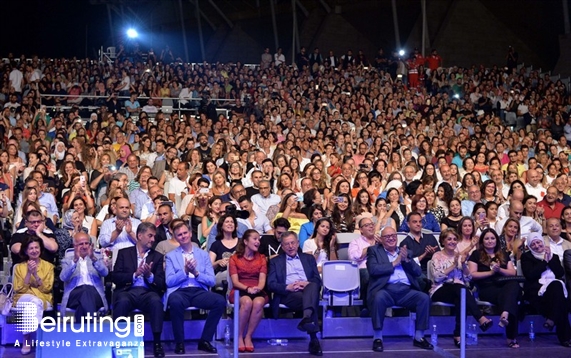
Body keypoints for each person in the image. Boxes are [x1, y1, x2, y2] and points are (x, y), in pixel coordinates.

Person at [366, 226, 433, 352]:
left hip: (406, 291)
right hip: (386, 290)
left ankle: (419, 337)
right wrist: (395, 263)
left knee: (424, 298)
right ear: (381, 239)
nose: (391, 238)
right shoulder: (374, 251)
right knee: (378, 298)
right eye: (387, 236)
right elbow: (373, 270)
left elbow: (418, 272)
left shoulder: (405, 251)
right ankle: (377, 338)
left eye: (393, 236)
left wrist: (406, 260)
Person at [165, 220, 225, 354]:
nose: (183, 236)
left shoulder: (203, 254)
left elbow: (211, 281)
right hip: (180, 291)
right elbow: (169, 282)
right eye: (179, 235)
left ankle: (205, 340)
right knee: (174, 302)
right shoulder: (170, 256)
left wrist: (196, 273)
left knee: (220, 301)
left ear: (191, 233)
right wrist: (185, 272)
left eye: (185, 233)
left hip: (199, 291)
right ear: (176, 237)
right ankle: (179, 342)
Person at [429, 228, 493, 347]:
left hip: (458, 290)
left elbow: (468, 278)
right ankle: (480, 318)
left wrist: (463, 265)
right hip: (440, 289)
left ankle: (458, 335)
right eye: (449, 239)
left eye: (454, 239)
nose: (452, 241)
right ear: (443, 241)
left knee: (461, 298)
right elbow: (437, 277)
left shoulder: (459, 256)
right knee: (460, 289)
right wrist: (453, 265)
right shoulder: (437, 256)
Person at [113, 222, 166, 358]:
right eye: (150, 236)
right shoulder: (124, 253)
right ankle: (118, 341)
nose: (153, 239)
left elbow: (161, 283)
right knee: (122, 300)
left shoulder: (157, 256)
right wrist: (135, 274)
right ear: (140, 235)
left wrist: (149, 275)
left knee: (156, 301)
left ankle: (157, 342)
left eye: (154, 236)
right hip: (128, 291)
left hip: (147, 292)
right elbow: (116, 277)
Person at [267, 231, 323, 356]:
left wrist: (305, 283)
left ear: (298, 243)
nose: (290, 246)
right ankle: (313, 338)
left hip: (307, 290)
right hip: (288, 294)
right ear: (282, 246)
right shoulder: (275, 262)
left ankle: (307, 319)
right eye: (287, 244)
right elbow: (271, 284)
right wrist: (288, 287)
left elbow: (317, 280)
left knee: (312, 287)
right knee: (311, 299)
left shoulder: (308, 259)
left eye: (293, 243)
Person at [468, 228, 521, 348]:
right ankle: (511, 337)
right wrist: (491, 273)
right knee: (511, 298)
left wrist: (499, 270)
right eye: (486, 238)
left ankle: (505, 314)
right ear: (482, 241)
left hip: (504, 286)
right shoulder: (476, 255)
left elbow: (512, 273)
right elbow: (472, 274)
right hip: (487, 288)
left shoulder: (503, 254)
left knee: (513, 286)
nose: (490, 241)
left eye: (492, 238)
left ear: (496, 240)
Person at [521, 232, 571, 347]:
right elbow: (530, 275)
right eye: (533, 244)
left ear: (543, 242)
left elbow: (559, 273)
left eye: (538, 242)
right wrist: (544, 262)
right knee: (560, 300)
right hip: (536, 293)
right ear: (529, 246)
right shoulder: (526, 257)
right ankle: (565, 338)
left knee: (557, 286)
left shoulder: (554, 256)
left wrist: (550, 258)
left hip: (554, 290)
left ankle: (552, 319)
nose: (537, 246)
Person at [228, 229, 269, 352]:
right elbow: (235, 282)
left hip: (257, 289)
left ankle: (248, 336)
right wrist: (247, 289)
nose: (258, 242)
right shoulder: (234, 258)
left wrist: (258, 288)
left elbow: (262, 280)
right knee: (247, 302)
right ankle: (239, 336)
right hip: (240, 289)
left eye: (259, 239)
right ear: (245, 241)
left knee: (258, 303)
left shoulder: (262, 258)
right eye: (255, 239)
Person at [13, 235, 54, 355]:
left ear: (40, 249)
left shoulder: (48, 266)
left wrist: (35, 275)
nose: (34, 250)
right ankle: (39, 337)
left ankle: (26, 340)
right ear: (26, 250)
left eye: (37, 247)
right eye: (31, 248)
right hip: (22, 298)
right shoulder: (19, 267)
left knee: (33, 304)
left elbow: (47, 288)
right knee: (32, 302)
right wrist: (28, 274)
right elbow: (18, 289)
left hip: (43, 298)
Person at [60, 232, 108, 322]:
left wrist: (93, 258)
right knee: (85, 290)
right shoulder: (68, 259)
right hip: (73, 295)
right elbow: (63, 277)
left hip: (95, 294)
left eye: (87, 243)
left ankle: (84, 332)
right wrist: (74, 261)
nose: (84, 246)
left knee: (83, 302)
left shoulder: (96, 256)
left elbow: (105, 273)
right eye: (81, 244)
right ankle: (92, 326)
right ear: (75, 246)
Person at [98, 197, 141, 265]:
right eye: (121, 207)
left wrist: (130, 233)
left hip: (132, 257)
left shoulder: (137, 223)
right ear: (116, 208)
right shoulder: (107, 223)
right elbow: (102, 243)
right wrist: (117, 232)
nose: (124, 210)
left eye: (127, 208)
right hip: (112, 257)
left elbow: (143, 243)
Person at [348, 217, 377, 312]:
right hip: (361, 272)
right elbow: (354, 257)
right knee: (367, 273)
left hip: (380, 270)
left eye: (372, 224)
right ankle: (366, 307)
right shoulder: (355, 242)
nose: (371, 227)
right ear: (361, 229)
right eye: (367, 225)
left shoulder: (381, 241)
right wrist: (371, 247)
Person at [209, 214, 239, 288]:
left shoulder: (241, 243)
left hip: (239, 272)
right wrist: (218, 262)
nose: (230, 224)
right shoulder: (216, 244)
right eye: (227, 222)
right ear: (221, 226)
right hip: (223, 274)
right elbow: (209, 266)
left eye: (232, 222)